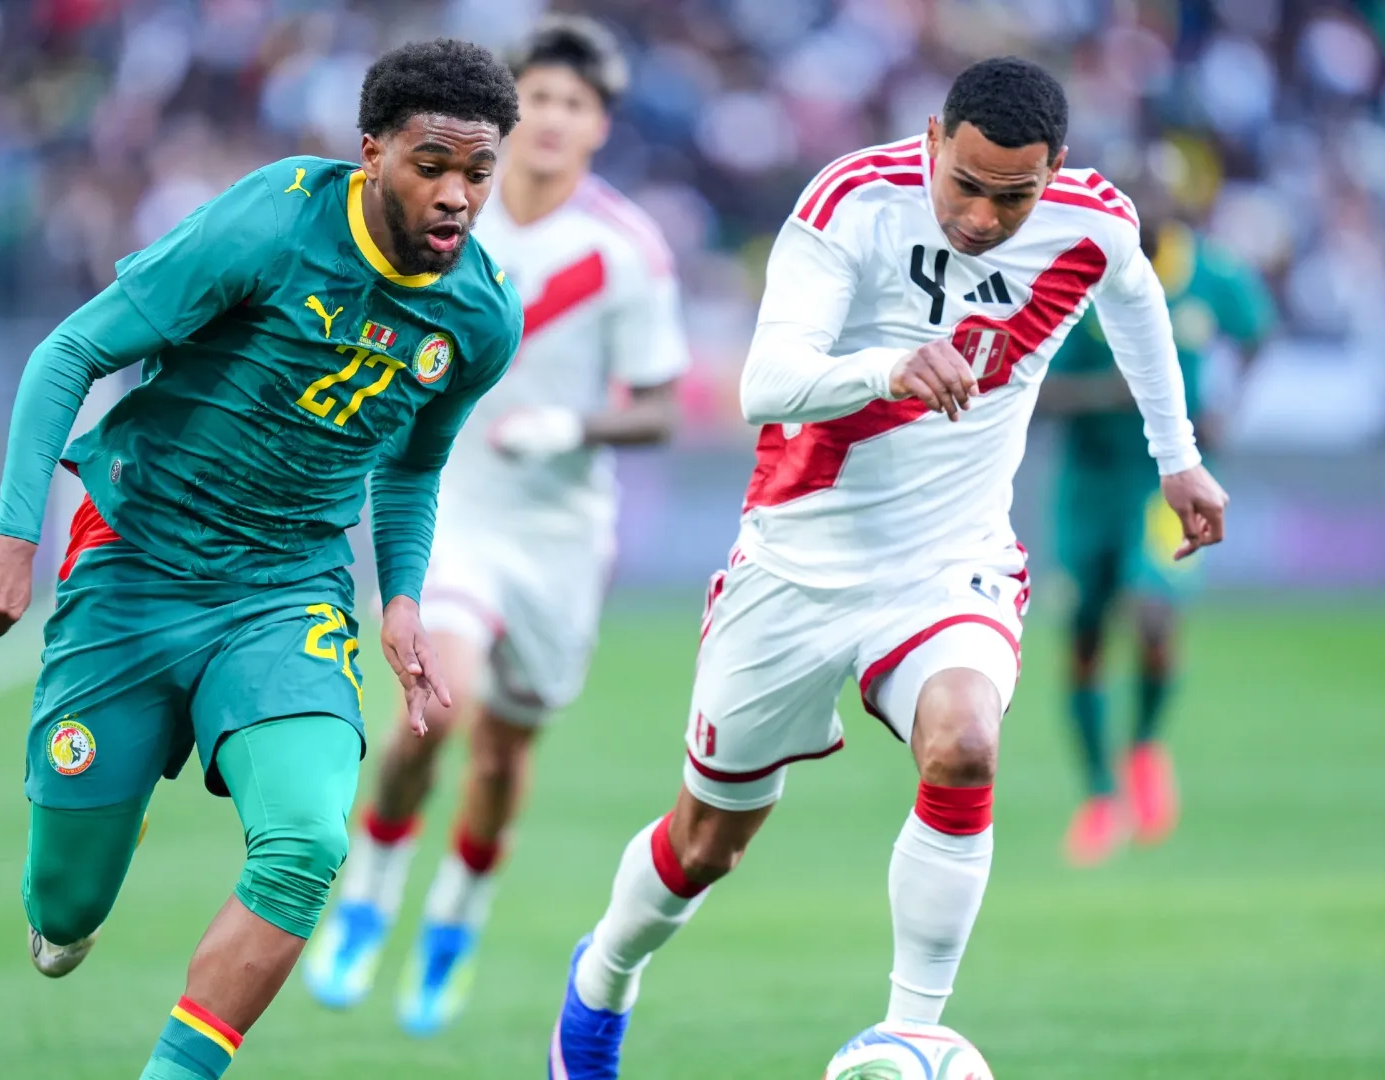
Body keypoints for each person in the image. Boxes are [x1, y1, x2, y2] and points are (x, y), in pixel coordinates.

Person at [545, 56, 1230, 1078]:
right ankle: (599, 981)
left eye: (1015, 195)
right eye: (966, 184)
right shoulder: (852, 201)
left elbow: (1133, 298)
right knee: (705, 846)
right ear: (929, 141)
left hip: (950, 563)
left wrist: (1175, 458)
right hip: (795, 564)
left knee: (964, 746)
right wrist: (888, 366)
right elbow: (763, 383)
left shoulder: (1092, 221)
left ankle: (912, 1034)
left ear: (1057, 174)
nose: (986, 216)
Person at [0, 39, 522, 1080]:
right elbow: (70, 351)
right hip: (135, 565)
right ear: (372, 152)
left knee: (305, 844)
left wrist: (400, 602)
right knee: (65, 911)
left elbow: (413, 467)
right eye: (432, 164)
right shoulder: (271, 221)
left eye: (478, 173)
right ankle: (86, 864)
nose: (457, 196)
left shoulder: (479, 316)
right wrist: (14, 534)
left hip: (283, 592)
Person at [304, 16, 688, 1038]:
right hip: (455, 508)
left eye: (576, 105)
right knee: (442, 700)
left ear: (600, 125)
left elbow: (660, 401)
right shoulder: (447, 213)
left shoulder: (624, 250)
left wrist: (573, 424)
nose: (555, 120)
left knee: (505, 758)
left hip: (562, 536)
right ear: (513, 111)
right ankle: (369, 893)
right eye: (541, 100)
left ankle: (453, 924)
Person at [1040, 202, 1273, 866]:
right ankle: (1098, 795)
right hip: (1089, 486)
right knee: (1084, 637)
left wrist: (1229, 407)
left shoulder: (1208, 273)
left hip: (1162, 478)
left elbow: (1258, 330)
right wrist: (1113, 392)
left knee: (1153, 609)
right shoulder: (1069, 278)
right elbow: (1034, 393)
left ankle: (1142, 745)